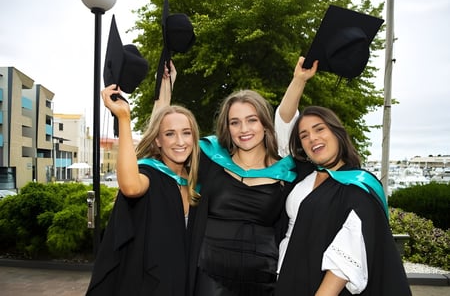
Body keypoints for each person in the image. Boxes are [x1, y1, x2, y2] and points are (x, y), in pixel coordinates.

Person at [157, 61, 314, 295]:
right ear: (227, 128)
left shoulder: (288, 171)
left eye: (252, 120)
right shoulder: (209, 159)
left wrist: (299, 79)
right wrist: (163, 95)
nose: (244, 129)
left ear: (264, 123)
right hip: (209, 274)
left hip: (262, 278)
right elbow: (162, 142)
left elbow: (286, 119)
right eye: (235, 122)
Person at [273, 57, 412, 295]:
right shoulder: (302, 175)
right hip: (284, 276)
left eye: (319, 129)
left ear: (337, 133)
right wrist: (299, 80)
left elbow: (346, 258)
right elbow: (283, 124)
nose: (312, 138)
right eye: (304, 136)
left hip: (321, 286)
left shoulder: (359, 185)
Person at [85, 72, 201, 295]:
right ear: (158, 141)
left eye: (186, 133)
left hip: (185, 281)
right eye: (169, 134)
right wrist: (123, 118)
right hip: (150, 285)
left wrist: (165, 86)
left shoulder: (196, 179)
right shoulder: (152, 175)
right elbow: (130, 186)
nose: (180, 142)